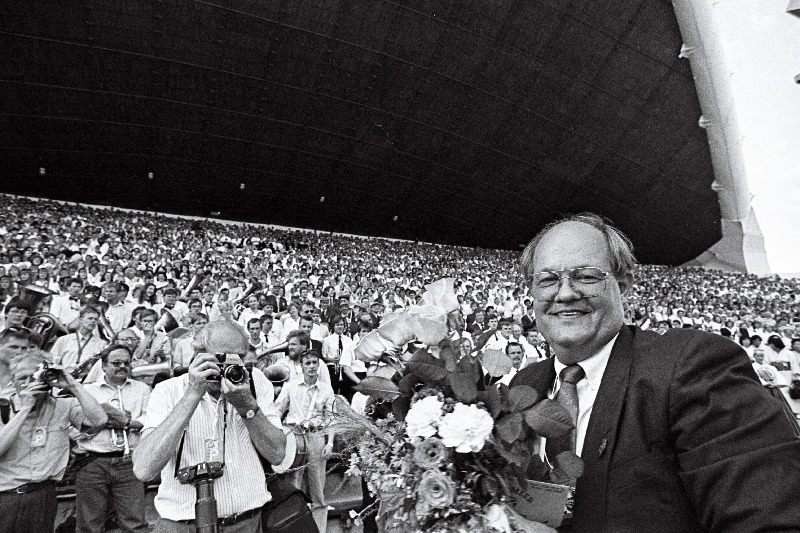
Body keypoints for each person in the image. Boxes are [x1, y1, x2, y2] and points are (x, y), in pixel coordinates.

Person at [510, 212, 800, 533]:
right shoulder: (525, 385)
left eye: (586, 276)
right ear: (532, 293)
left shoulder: (689, 365)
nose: (565, 293)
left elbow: (768, 519)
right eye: (547, 279)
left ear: (622, 286)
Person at [132, 320, 286, 532]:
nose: (230, 366)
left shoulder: (255, 382)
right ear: (198, 354)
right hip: (184, 525)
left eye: (239, 358)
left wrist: (247, 405)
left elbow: (277, 454)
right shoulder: (167, 391)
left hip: (247, 523)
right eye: (221, 358)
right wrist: (193, 394)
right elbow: (144, 469)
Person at [0, 349, 107, 533]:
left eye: (33, 377)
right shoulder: (2, 407)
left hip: (43, 494)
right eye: (21, 379)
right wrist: (26, 408)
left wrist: (72, 385)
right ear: (13, 381)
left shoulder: (63, 405)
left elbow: (100, 420)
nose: (27, 384)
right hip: (6, 497)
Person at [74, 344, 151, 533]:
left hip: (129, 462)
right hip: (93, 462)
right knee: (89, 525)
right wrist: (104, 420)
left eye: (126, 362)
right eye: (116, 362)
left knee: (135, 523)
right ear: (103, 366)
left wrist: (127, 422)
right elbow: (74, 427)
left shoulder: (142, 389)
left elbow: (150, 419)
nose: (122, 366)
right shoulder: (88, 390)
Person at [273, 349, 334, 533]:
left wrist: (330, 443)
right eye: (307, 363)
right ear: (301, 366)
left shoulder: (326, 389)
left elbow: (332, 418)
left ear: (319, 365)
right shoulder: (291, 386)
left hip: (316, 437)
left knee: (318, 490)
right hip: (294, 438)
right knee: (293, 487)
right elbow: (276, 411)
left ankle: (320, 529)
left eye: (315, 362)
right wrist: (280, 434)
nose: (312, 366)